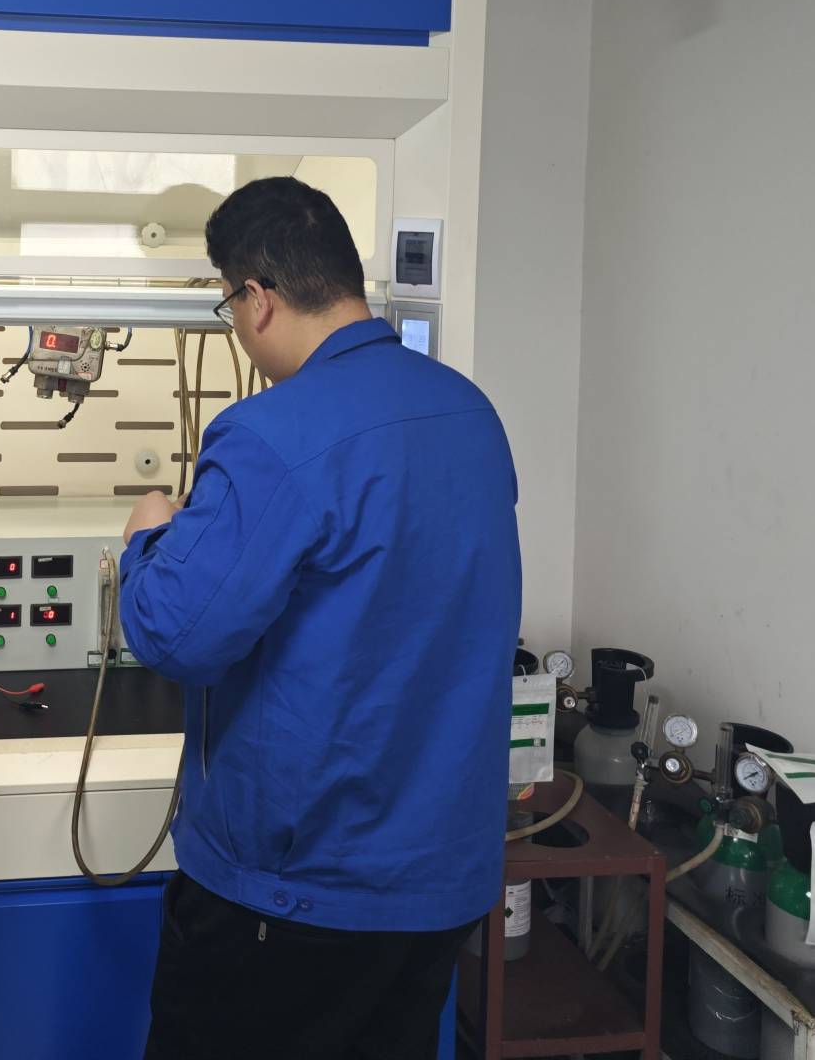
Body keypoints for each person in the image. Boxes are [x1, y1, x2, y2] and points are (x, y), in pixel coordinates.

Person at [118, 177, 521, 1060]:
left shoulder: (270, 433)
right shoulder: (470, 412)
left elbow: (175, 635)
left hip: (294, 896)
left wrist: (148, 537)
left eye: (228, 305)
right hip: (437, 886)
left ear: (256, 298)